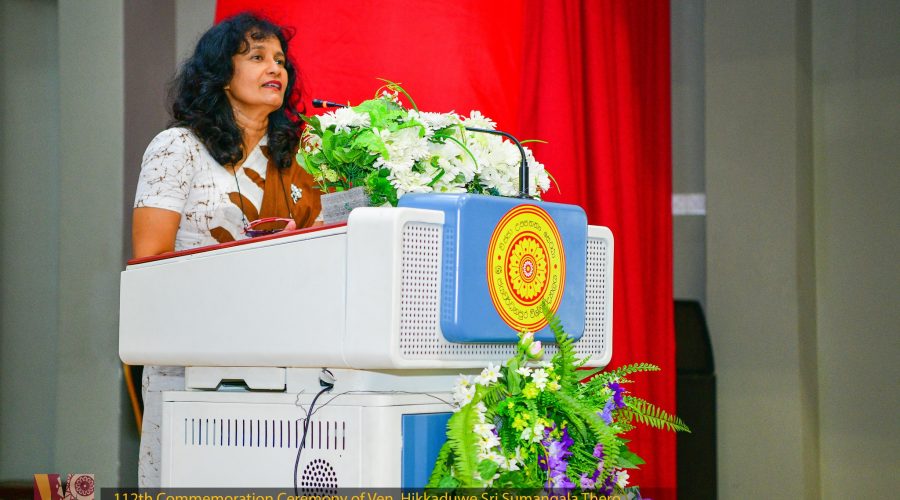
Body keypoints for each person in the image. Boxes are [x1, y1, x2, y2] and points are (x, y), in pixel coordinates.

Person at [131, 13, 321, 487]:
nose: (274, 68)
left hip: (284, 356)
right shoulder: (179, 148)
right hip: (192, 352)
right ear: (221, 76)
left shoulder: (298, 160)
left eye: (280, 60)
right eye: (256, 57)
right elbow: (150, 261)